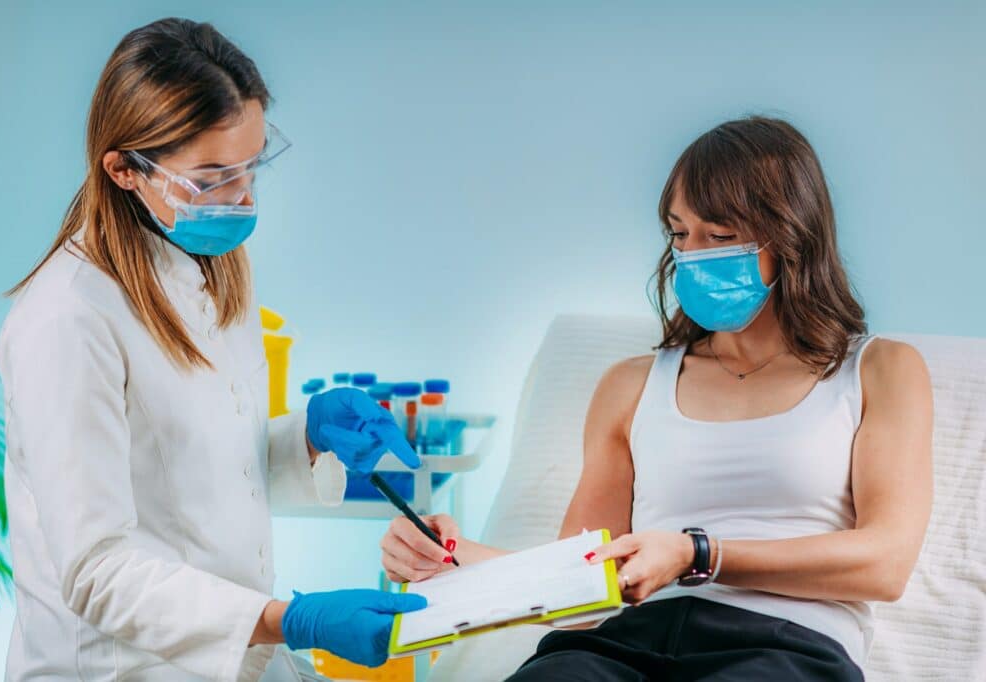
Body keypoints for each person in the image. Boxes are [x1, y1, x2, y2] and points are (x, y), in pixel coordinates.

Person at [378, 116, 933, 680]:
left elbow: (886, 564)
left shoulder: (878, 370)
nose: (693, 255)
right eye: (678, 233)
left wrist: (697, 555)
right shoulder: (631, 384)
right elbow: (579, 577)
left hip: (784, 647)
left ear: (792, 236)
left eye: (719, 236)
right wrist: (450, 557)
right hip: (623, 643)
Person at [0, 18, 431, 681]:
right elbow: (97, 571)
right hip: (125, 667)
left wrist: (306, 439)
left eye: (253, 165)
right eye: (212, 177)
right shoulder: (66, 318)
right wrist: (292, 620)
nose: (245, 196)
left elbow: (198, 473)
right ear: (123, 170)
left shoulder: (214, 262)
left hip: (236, 656)